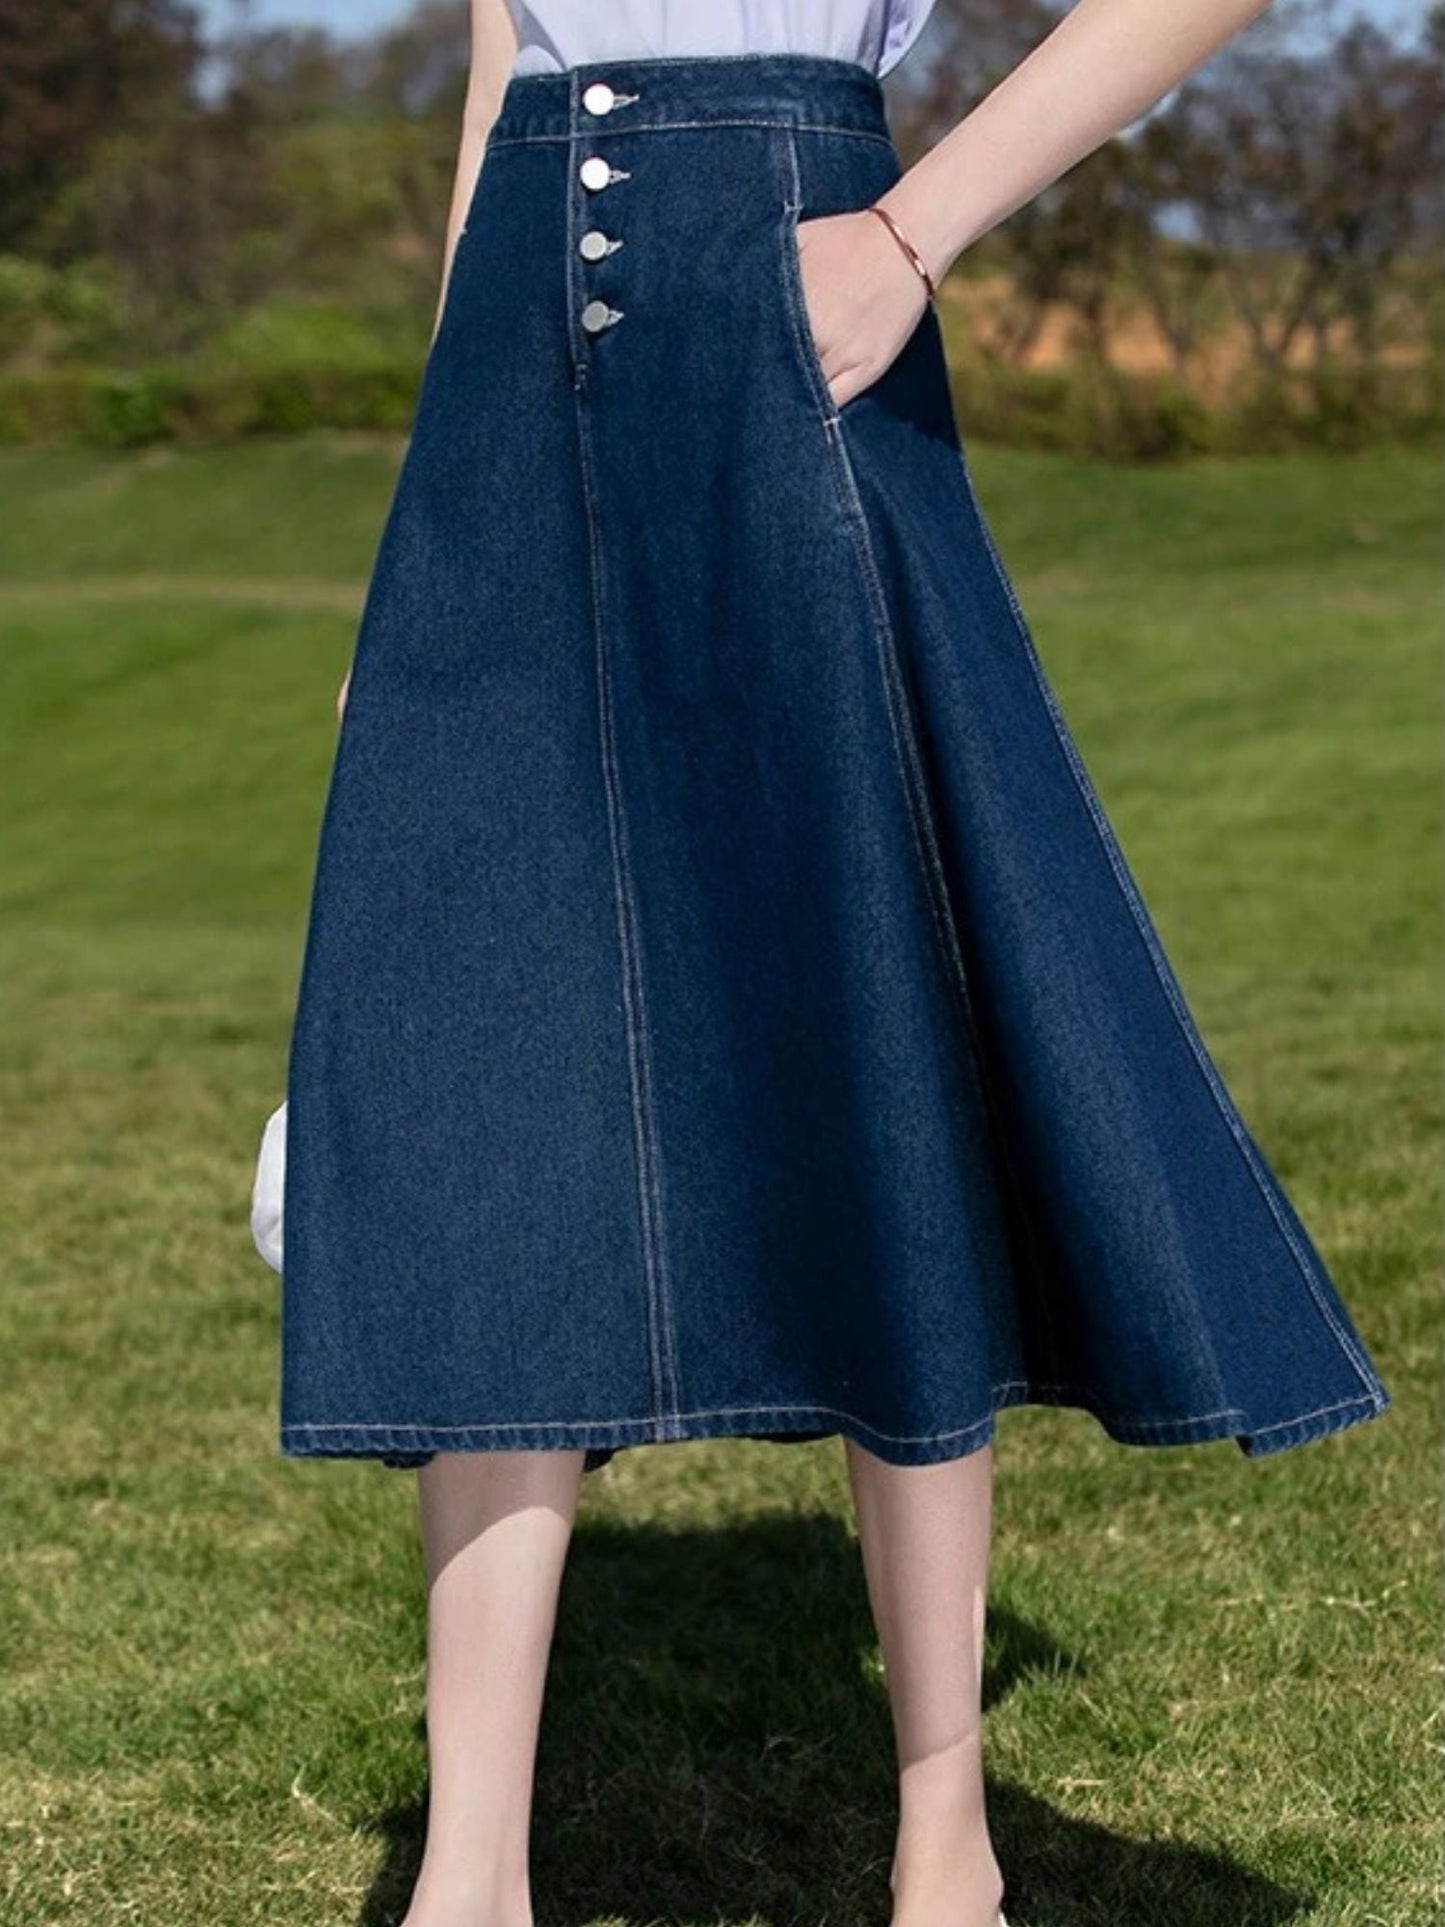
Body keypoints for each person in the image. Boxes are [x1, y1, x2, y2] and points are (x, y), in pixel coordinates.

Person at [272, 5, 1391, 1924]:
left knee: (871, 1031)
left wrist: (911, 228)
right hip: (501, 389)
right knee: (492, 1065)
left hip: (794, 281)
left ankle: (942, 1840)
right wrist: (422, 536)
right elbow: (492, 82)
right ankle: (468, 1877)